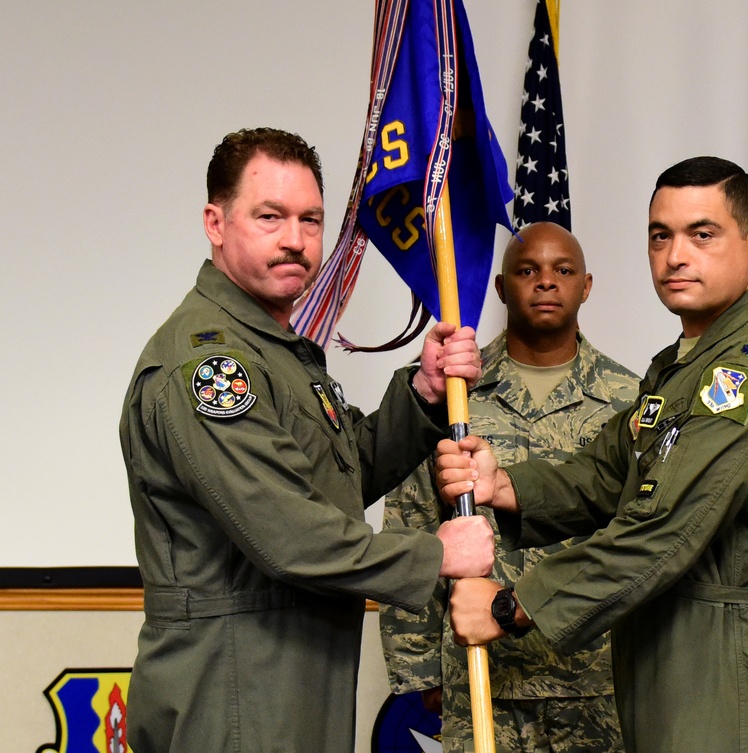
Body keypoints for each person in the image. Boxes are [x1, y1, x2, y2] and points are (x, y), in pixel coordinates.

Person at [118, 127, 495, 753]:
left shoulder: (278, 350)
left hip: (289, 675)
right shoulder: (207, 366)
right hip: (235, 685)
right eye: (270, 217)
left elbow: (337, 480)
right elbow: (290, 534)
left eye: (310, 220)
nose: (295, 239)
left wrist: (424, 393)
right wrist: (436, 555)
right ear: (215, 223)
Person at [437, 157, 748, 753]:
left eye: (702, 234)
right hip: (667, 658)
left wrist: (514, 607)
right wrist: (505, 484)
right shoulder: (683, 367)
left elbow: (663, 531)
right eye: (659, 236)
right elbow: (606, 474)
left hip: (725, 670)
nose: (675, 256)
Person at [380, 222, 637, 752]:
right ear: (500, 288)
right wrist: (420, 670)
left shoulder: (630, 400)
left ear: (586, 286)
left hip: (595, 679)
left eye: (563, 271)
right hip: (478, 672)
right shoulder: (453, 393)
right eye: (527, 270)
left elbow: (641, 537)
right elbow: (410, 521)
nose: (546, 282)